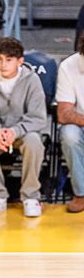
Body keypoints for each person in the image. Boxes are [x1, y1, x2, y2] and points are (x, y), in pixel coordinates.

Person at [0, 36, 47, 218]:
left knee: (34, 142)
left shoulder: (32, 80)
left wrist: (15, 131)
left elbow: (38, 117)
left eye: (9, 60)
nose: (3, 64)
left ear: (20, 61)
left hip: (23, 132)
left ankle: (30, 196)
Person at [58, 34, 84, 213]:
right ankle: (81, 194)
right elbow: (63, 114)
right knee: (69, 135)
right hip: (80, 124)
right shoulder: (68, 66)